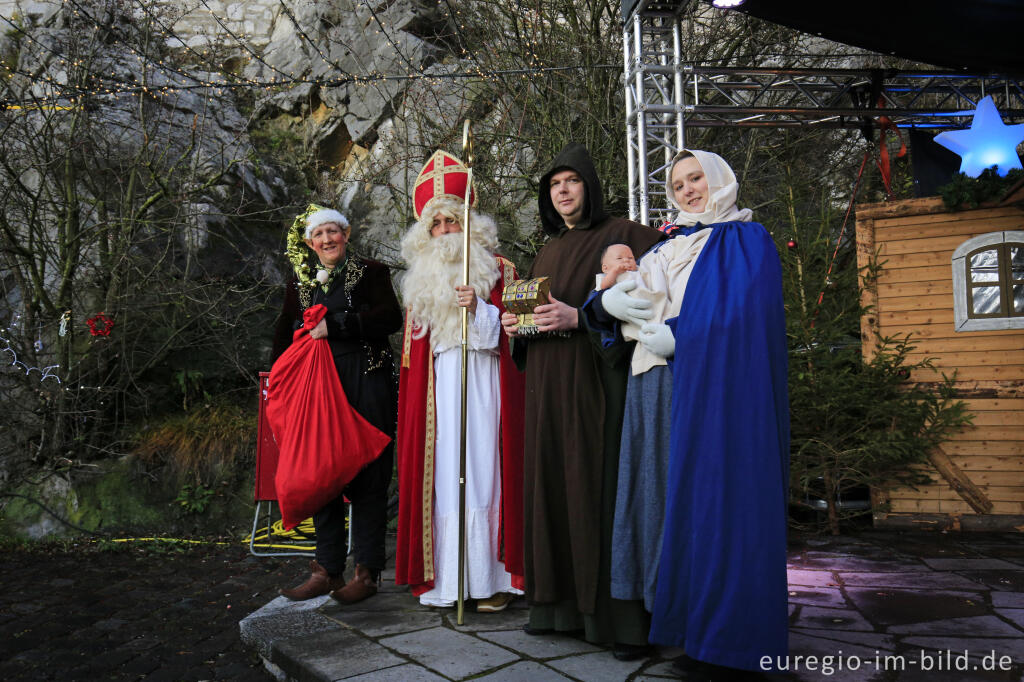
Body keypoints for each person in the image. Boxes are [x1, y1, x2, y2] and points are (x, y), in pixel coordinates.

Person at [588, 149, 789, 679]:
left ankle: (729, 644)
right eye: (678, 184)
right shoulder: (665, 244)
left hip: (716, 392)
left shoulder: (747, 240)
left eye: (696, 178)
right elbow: (624, 300)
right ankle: (685, 628)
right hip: (652, 388)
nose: (688, 190)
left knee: (715, 504)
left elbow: (745, 315)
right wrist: (602, 304)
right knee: (662, 506)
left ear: (718, 178)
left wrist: (682, 336)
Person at [500, 143, 664, 659]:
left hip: (600, 384)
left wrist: (584, 318)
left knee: (601, 488)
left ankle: (621, 622)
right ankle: (558, 609)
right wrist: (517, 325)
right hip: (549, 388)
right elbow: (539, 313)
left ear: (589, 185)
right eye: (554, 184)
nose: (563, 190)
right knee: (555, 485)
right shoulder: (546, 250)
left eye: (571, 180)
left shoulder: (628, 235)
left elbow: (658, 300)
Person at [395, 150, 526, 612]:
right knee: (446, 478)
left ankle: (490, 580)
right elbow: (414, 364)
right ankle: (450, 581)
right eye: (438, 224)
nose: (447, 231)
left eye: (454, 221)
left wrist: (481, 310)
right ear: (425, 232)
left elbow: (516, 339)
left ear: (470, 225)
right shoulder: (419, 284)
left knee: (487, 474)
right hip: (439, 394)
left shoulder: (500, 270)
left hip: (486, 382)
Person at [273, 205, 403, 604]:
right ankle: (327, 569)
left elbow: (389, 319)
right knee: (320, 472)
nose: (328, 239)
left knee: (368, 474)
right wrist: (281, 379)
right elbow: (283, 334)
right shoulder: (300, 283)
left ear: (346, 234)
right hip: (318, 390)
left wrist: (339, 324)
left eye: (334, 231)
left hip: (367, 382)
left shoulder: (372, 272)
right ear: (311, 244)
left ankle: (367, 572)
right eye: (320, 235)